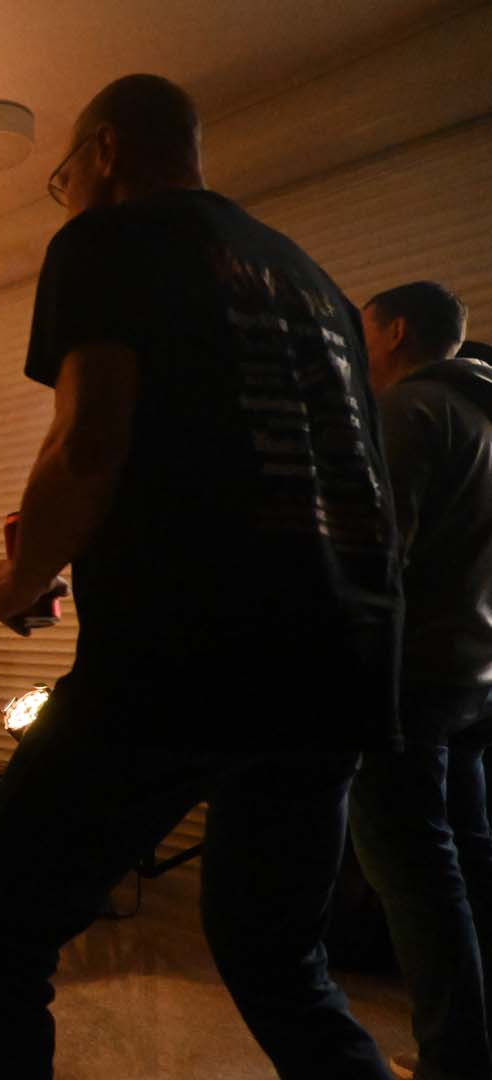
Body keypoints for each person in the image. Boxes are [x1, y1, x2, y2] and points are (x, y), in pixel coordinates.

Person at [0, 74, 402, 1078]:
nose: (63, 195)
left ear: (103, 151)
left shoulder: (107, 238)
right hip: (341, 657)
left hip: (188, 654)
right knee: (280, 959)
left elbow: (87, 442)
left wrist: (18, 580)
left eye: (62, 175)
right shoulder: (311, 281)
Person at [348, 282, 492, 1080]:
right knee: (468, 859)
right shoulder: (482, 413)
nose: (356, 350)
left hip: (411, 678)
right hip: (475, 675)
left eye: (363, 332)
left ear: (396, 331)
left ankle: (454, 1061)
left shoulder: (410, 410)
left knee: (412, 873)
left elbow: (377, 559)